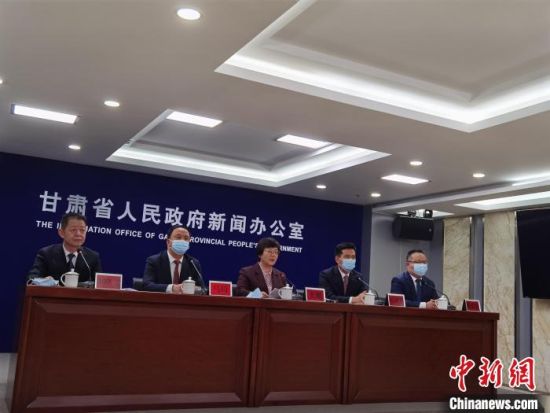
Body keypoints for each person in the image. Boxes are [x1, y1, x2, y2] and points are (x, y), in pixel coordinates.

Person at [28, 212, 102, 282]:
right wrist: (42, 281)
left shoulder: (92, 257)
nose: (78, 234)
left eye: (82, 230)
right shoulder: (46, 254)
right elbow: (32, 278)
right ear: (61, 233)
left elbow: (99, 285)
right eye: (73, 230)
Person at [142, 224, 205, 293]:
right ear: (168, 242)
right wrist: (171, 288)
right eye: (178, 237)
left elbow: (202, 289)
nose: (182, 241)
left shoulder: (193, 263)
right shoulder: (154, 261)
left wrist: (194, 289)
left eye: (186, 238)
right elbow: (147, 285)